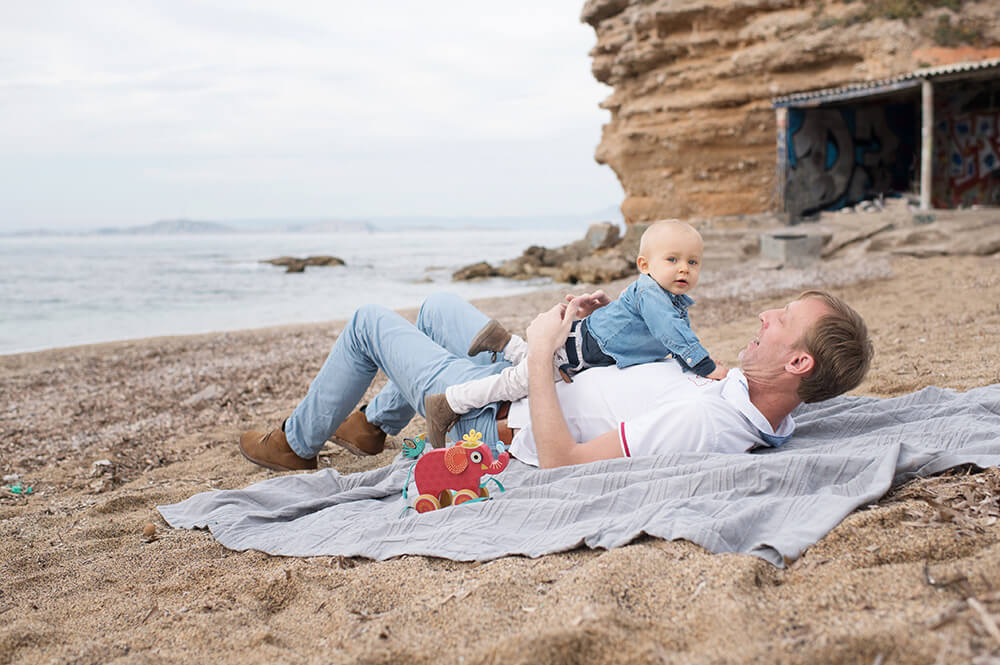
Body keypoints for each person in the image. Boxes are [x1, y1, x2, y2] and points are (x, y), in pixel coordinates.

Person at [239, 286, 873, 472]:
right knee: (435, 309)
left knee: (366, 322)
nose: (767, 314)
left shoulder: (705, 421)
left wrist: (541, 353)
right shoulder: (753, 400)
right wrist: (585, 335)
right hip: (529, 379)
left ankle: (293, 444)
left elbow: (566, 460)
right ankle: (372, 426)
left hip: (493, 418)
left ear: (800, 364)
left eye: (782, 319)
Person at [423, 220, 726, 446]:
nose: (684, 269)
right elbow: (672, 333)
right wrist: (705, 366)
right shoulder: (652, 294)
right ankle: (448, 403)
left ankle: (503, 341)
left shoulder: (663, 295)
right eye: (672, 260)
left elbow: (666, 331)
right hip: (579, 350)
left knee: (531, 367)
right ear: (645, 265)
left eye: (692, 262)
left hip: (585, 343)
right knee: (519, 382)